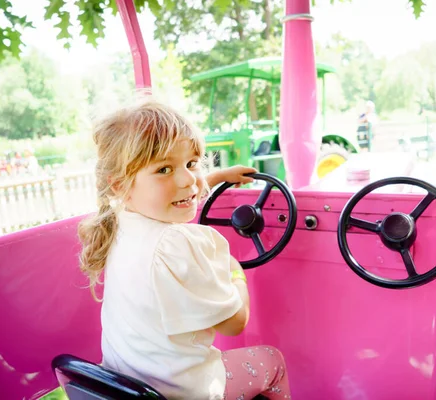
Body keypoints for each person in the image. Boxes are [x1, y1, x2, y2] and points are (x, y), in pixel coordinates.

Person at [77, 97, 292, 400]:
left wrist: (218, 177)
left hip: (129, 385)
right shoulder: (179, 244)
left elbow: (174, 195)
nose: (188, 179)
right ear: (119, 185)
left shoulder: (118, 225)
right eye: (164, 169)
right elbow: (234, 323)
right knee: (272, 360)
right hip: (185, 393)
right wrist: (236, 274)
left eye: (191, 164)